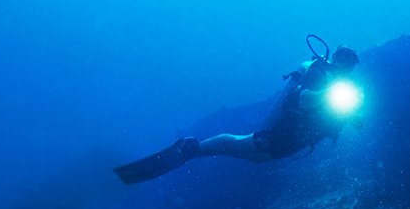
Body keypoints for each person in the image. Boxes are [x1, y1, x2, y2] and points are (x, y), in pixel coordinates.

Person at [114, 38, 361, 184]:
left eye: (349, 63)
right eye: (341, 58)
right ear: (334, 58)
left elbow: (342, 117)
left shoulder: (343, 86)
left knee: (258, 157)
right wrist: (331, 94)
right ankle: (192, 147)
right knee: (247, 146)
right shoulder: (320, 73)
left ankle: (197, 151)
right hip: (287, 130)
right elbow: (305, 99)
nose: (344, 65)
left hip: (298, 140)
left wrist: (354, 113)